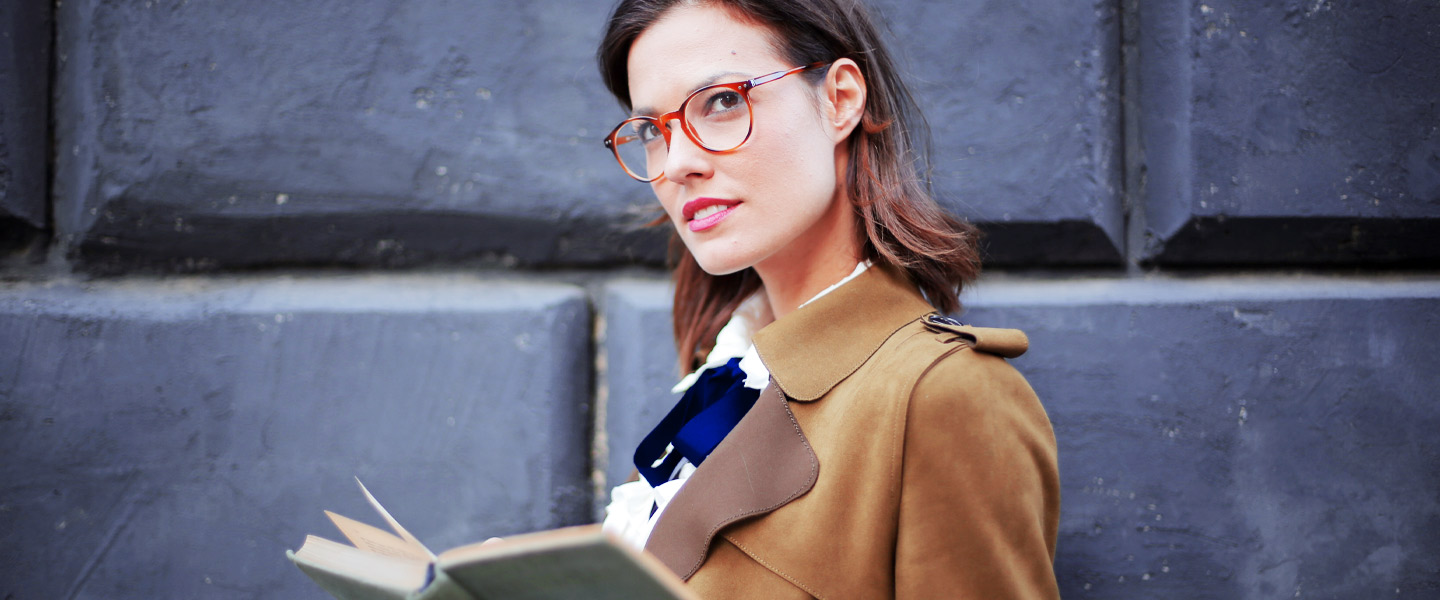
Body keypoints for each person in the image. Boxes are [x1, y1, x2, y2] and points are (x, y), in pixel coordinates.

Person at [596, 0, 1060, 597]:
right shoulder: (725, 378)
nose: (678, 163)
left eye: (722, 102)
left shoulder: (942, 394)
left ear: (840, 99)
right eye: (652, 132)